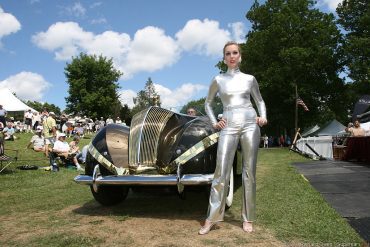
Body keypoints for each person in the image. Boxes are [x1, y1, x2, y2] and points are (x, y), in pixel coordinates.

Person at [199, 41, 267, 235]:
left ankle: (248, 218)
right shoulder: (218, 80)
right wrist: (214, 122)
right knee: (221, 171)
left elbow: (260, 101)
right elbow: (208, 104)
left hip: (249, 124)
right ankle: (211, 218)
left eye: (235, 52)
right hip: (228, 124)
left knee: (249, 172)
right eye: (228, 53)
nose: (232, 56)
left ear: (240, 56)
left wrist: (263, 116)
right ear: (224, 58)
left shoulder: (250, 79)